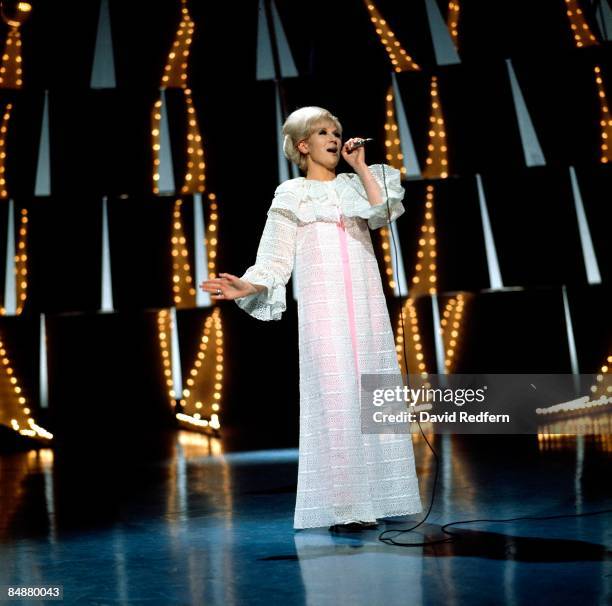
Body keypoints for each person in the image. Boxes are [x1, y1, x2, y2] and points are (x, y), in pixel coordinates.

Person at [200, 106, 422, 531]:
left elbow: (384, 213)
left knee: (373, 392)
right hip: (325, 307)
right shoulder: (292, 193)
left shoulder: (359, 182)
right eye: (323, 132)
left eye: (336, 131)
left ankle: (379, 497)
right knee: (337, 396)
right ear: (304, 145)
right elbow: (275, 255)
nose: (334, 138)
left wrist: (360, 167)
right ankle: (345, 508)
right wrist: (249, 285)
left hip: (366, 304)